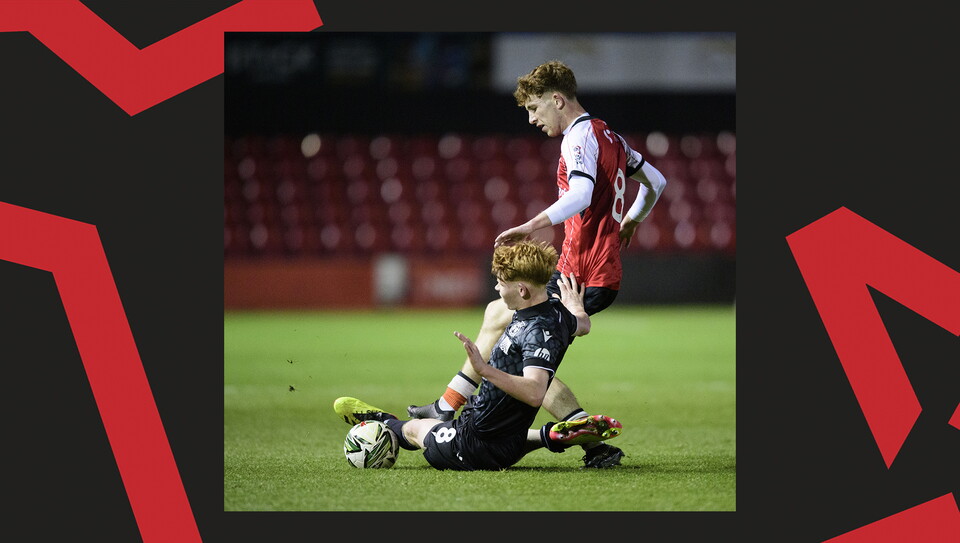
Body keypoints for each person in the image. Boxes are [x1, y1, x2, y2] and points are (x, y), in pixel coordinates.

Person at [406, 60, 667, 468]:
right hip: (587, 273)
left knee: (523, 355)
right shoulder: (610, 136)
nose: (531, 119)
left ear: (557, 100)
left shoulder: (578, 136)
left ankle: (447, 409)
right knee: (504, 323)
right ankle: (450, 407)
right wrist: (632, 220)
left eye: (534, 108)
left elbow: (581, 194)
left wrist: (531, 225)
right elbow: (657, 182)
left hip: (583, 276)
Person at [334, 240, 622, 471]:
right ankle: (551, 436)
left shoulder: (533, 331)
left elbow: (535, 392)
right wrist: (577, 309)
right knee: (505, 416)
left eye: (501, 283)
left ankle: (384, 421)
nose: (496, 288)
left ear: (522, 289)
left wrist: (484, 370)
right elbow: (582, 326)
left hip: (472, 444)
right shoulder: (558, 314)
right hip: (508, 444)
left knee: (415, 430)